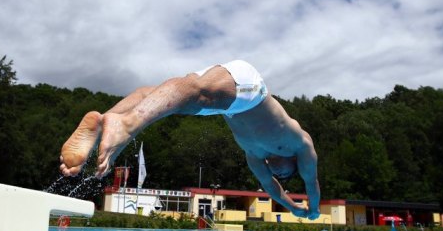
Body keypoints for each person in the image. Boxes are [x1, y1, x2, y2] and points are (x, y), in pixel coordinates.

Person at [59, 60, 321, 220]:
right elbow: (311, 181)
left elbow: (271, 188)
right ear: (294, 162)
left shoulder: (254, 156)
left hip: (228, 106)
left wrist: (292, 207)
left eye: (278, 177)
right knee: (195, 90)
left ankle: (103, 124)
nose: (277, 175)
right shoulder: (300, 143)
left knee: (157, 96)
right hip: (250, 89)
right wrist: (314, 207)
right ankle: (126, 125)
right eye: (284, 174)